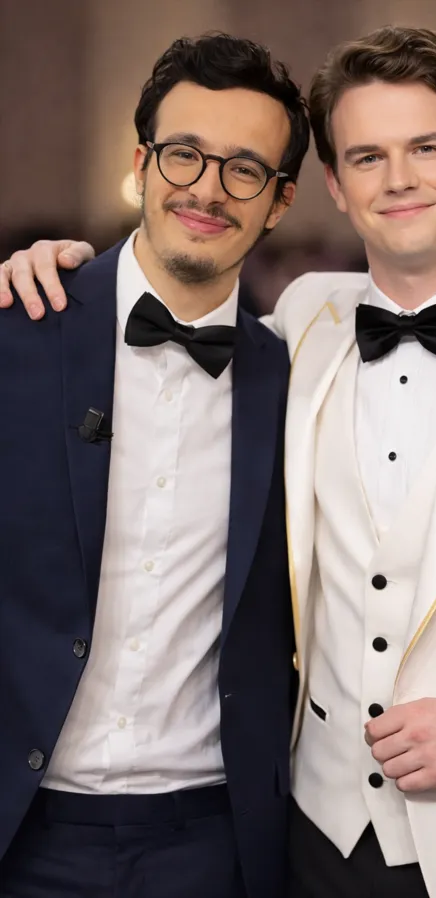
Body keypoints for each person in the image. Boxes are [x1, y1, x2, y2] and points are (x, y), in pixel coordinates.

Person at [4, 24, 436, 898]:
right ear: (333, 185)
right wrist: (45, 266)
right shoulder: (305, 333)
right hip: (306, 846)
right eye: (366, 156)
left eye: (425, 148)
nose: (396, 179)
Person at [0, 32, 310, 898]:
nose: (207, 189)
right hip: (20, 829)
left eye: (244, 169)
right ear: (141, 164)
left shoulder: (299, 380)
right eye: (184, 155)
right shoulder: (16, 332)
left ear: (279, 201)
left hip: (212, 843)